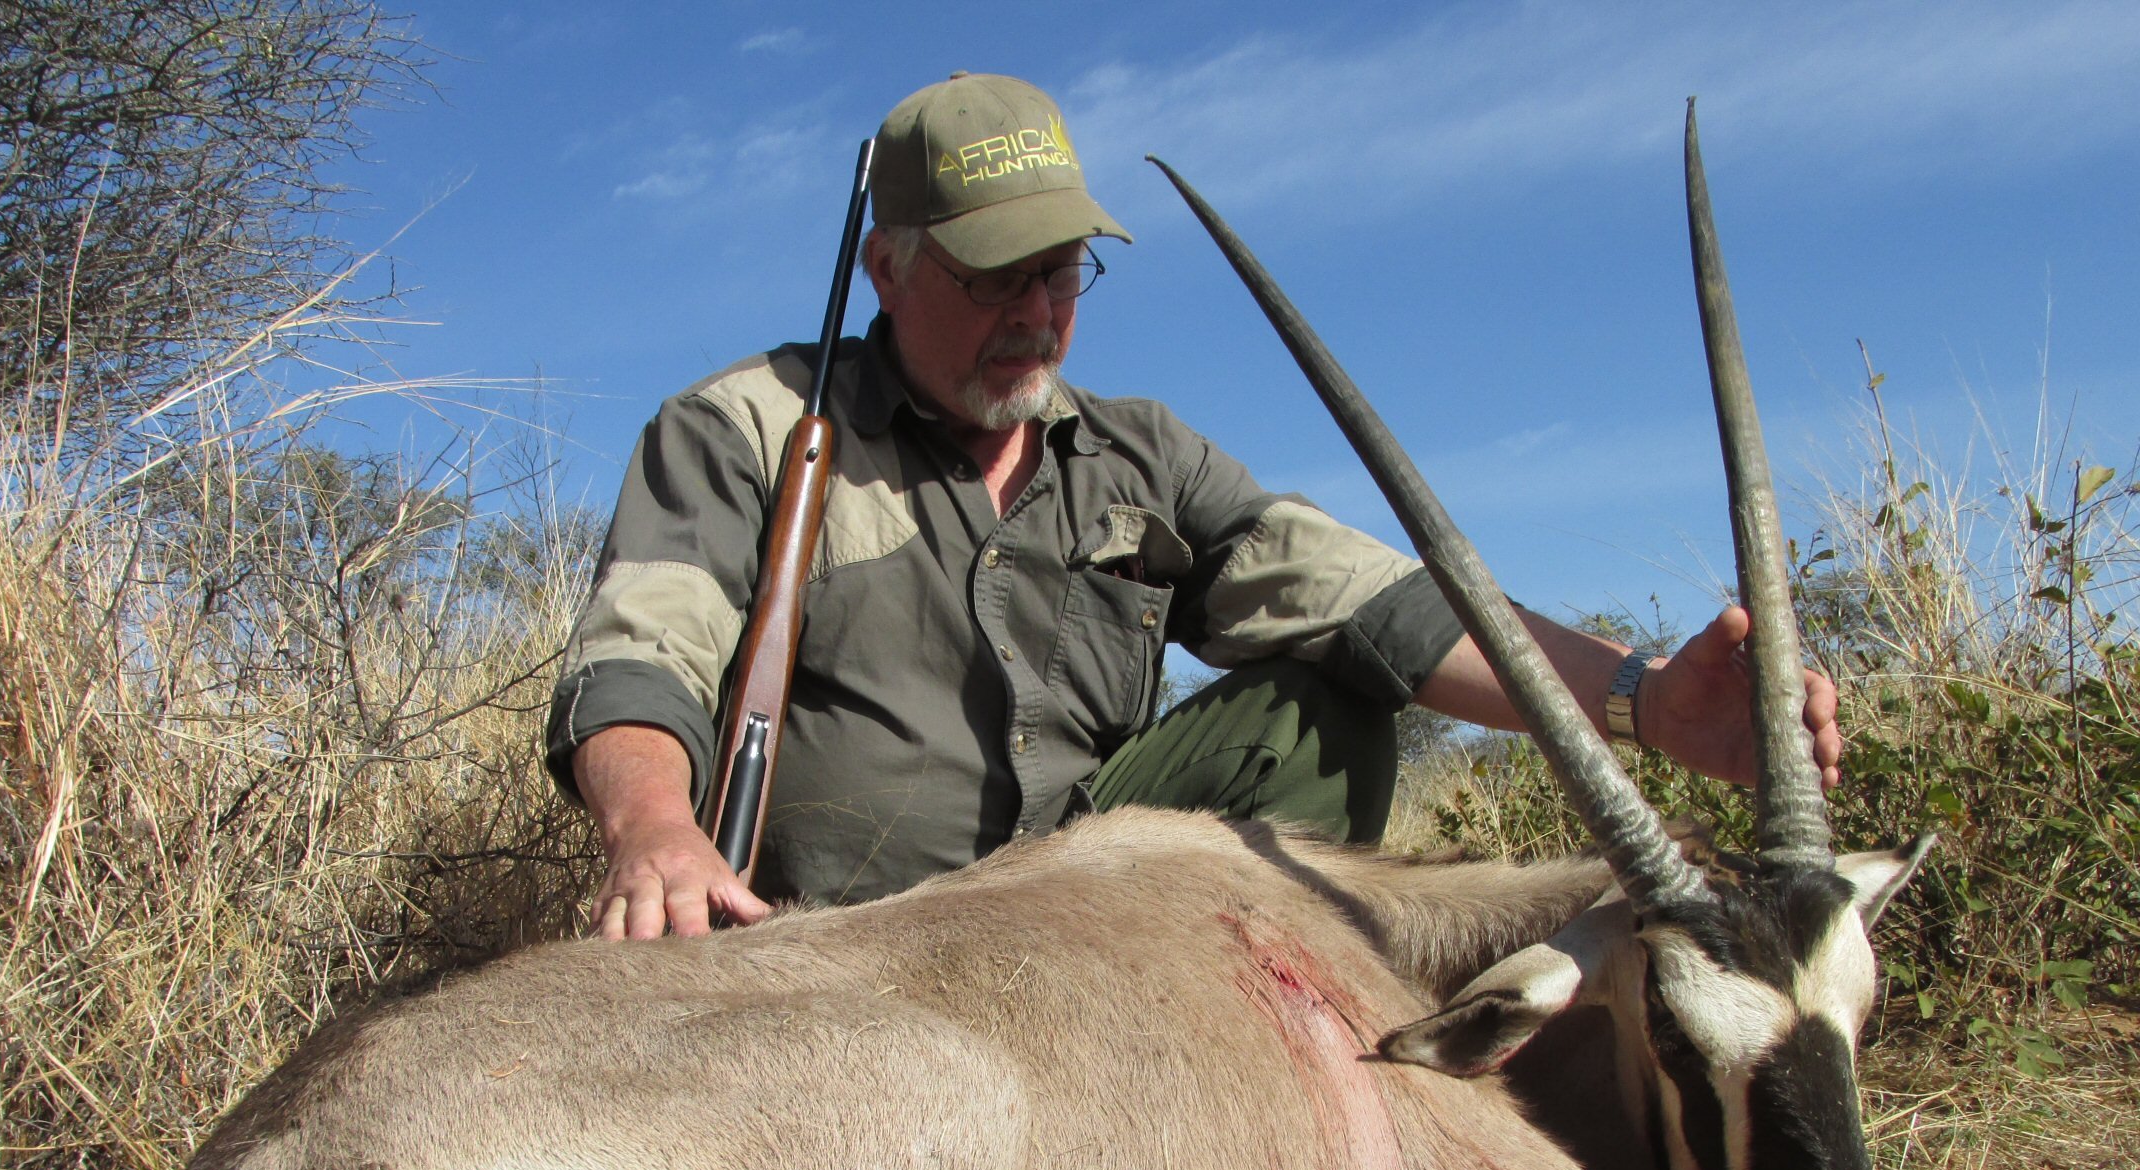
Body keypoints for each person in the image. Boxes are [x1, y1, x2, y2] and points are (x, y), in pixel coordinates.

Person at [547, 73, 1841, 940]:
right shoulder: (743, 429)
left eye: (1062, 273)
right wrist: (658, 832)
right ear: (887, 268)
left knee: (1330, 713)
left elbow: (1382, 606)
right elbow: (636, 661)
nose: (1036, 315)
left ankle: (1224, 1028)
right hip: (841, 951)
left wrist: (1648, 702)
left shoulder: (1141, 454)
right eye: (996, 274)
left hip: (1080, 920)